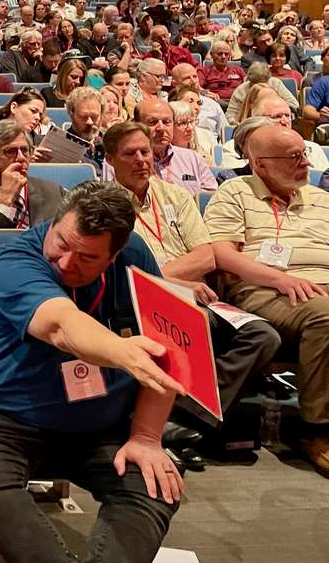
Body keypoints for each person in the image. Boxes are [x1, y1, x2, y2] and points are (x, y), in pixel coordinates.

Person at [0, 181, 183, 563]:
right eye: (61, 242)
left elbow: (166, 347)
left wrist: (146, 437)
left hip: (98, 424)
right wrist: (123, 353)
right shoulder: (17, 259)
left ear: (115, 255)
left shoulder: (135, 256)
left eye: (87, 257)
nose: (66, 262)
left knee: (156, 484)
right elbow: (60, 325)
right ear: (55, 222)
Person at [103, 121, 281, 464]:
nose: (142, 160)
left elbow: (205, 255)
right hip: (138, 300)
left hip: (194, 295)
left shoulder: (175, 195)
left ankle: (184, 420)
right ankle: (173, 430)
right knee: (187, 328)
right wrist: (172, 282)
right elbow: (119, 272)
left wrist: (168, 278)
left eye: (145, 152)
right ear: (110, 159)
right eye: (130, 154)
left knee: (262, 335)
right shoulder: (104, 203)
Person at [204, 124, 329, 475]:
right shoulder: (235, 192)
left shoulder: (321, 198)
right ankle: (317, 429)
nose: (305, 162)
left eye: (304, 153)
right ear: (260, 165)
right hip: (265, 290)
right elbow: (222, 255)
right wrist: (278, 278)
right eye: (293, 157)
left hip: (319, 286)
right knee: (325, 315)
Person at [104, 98, 217, 197]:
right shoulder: (121, 160)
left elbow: (211, 196)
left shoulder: (192, 158)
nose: (161, 128)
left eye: (167, 122)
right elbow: (113, 199)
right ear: (136, 123)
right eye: (152, 122)